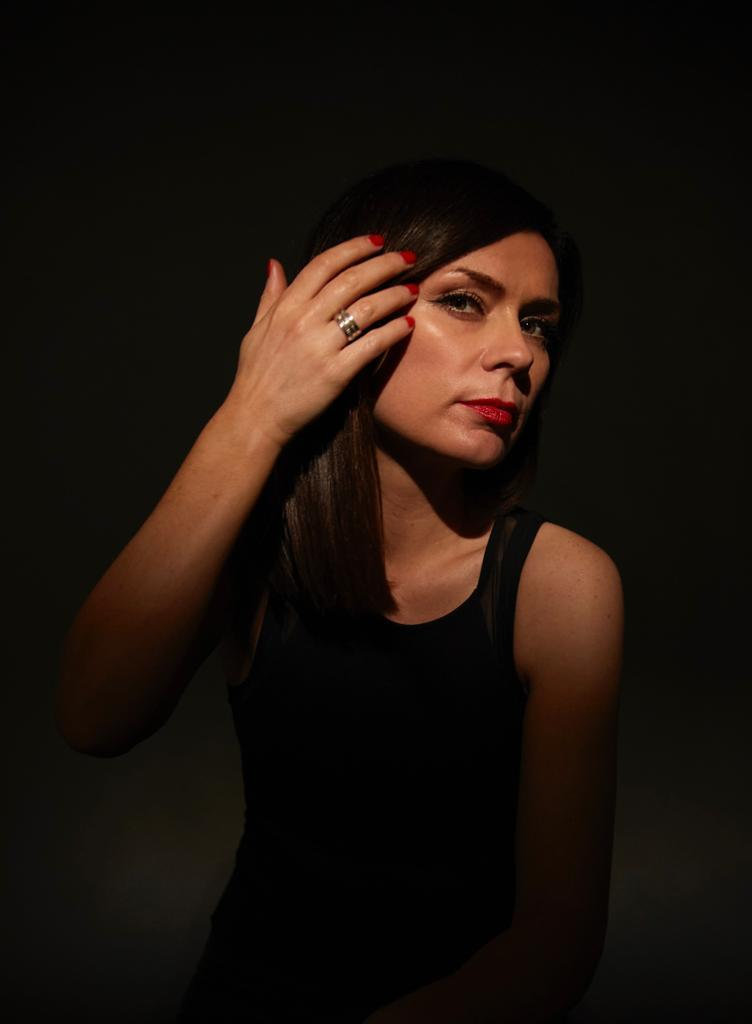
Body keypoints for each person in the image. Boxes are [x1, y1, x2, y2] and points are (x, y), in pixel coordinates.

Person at [56, 158, 624, 1023]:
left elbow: (553, 948)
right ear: (347, 309)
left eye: (538, 324)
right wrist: (254, 410)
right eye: (464, 301)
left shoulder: (560, 585)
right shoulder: (253, 552)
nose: (518, 354)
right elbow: (93, 716)